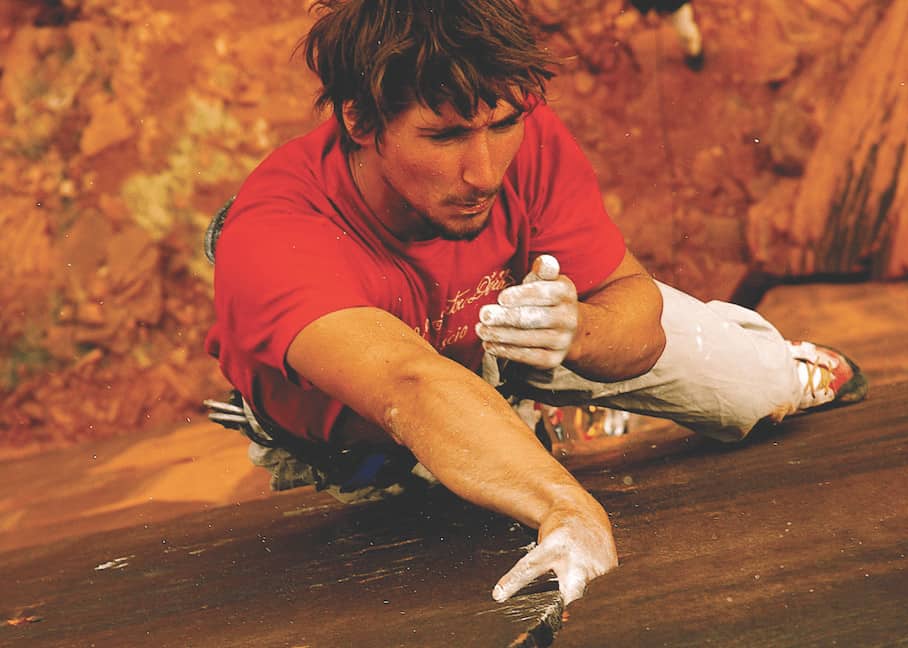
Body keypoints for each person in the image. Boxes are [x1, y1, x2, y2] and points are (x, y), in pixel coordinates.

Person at [203, 0, 867, 607]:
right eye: (443, 137)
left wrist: (577, 331)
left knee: (755, 391)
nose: (485, 172)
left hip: (501, 331)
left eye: (503, 127)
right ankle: (534, 422)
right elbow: (410, 386)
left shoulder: (516, 122)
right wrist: (567, 512)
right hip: (374, 422)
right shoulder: (276, 234)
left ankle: (757, 362)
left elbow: (632, 308)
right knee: (462, 499)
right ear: (358, 120)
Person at [630, 0, 705, 70]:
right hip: (658, 9)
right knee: (684, 31)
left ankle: (695, 54)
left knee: (686, 32)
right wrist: (646, 11)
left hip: (677, 7)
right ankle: (693, 52)